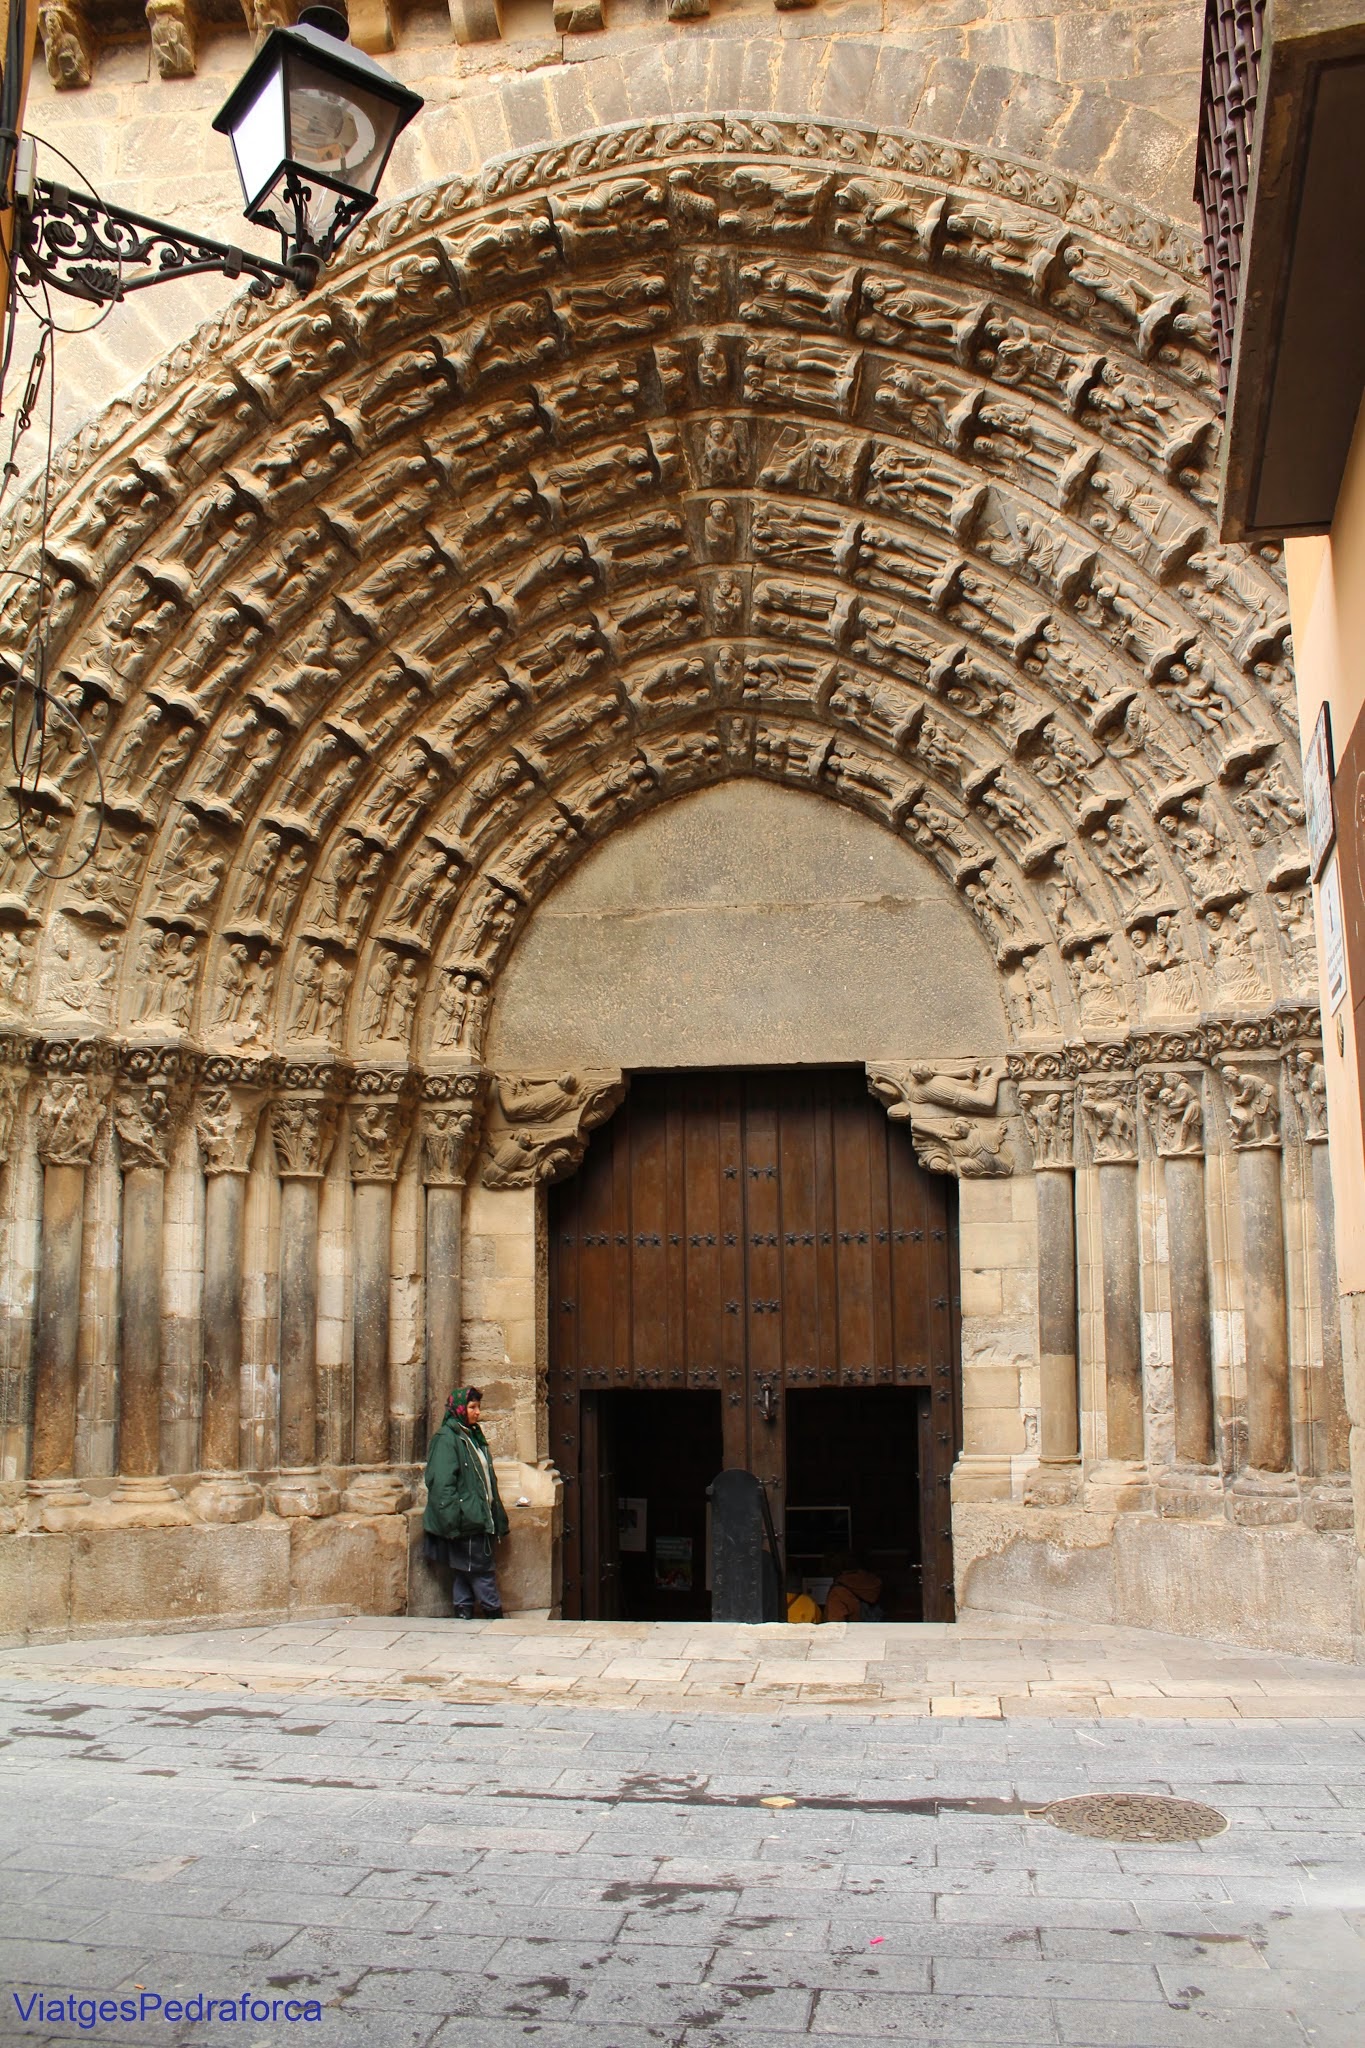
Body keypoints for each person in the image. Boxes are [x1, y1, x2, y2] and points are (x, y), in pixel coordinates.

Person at [422, 1387, 509, 1620]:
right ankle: (494, 1614)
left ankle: (463, 1613)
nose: (478, 1412)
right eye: (472, 1407)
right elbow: (442, 1484)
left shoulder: (472, 1436)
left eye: (478, 1407)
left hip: (476, 1517)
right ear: (459, 1409)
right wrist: (453, 1522)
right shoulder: (447, 1439)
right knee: (482, 1571)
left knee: (464, 1571)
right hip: (466, 1520)